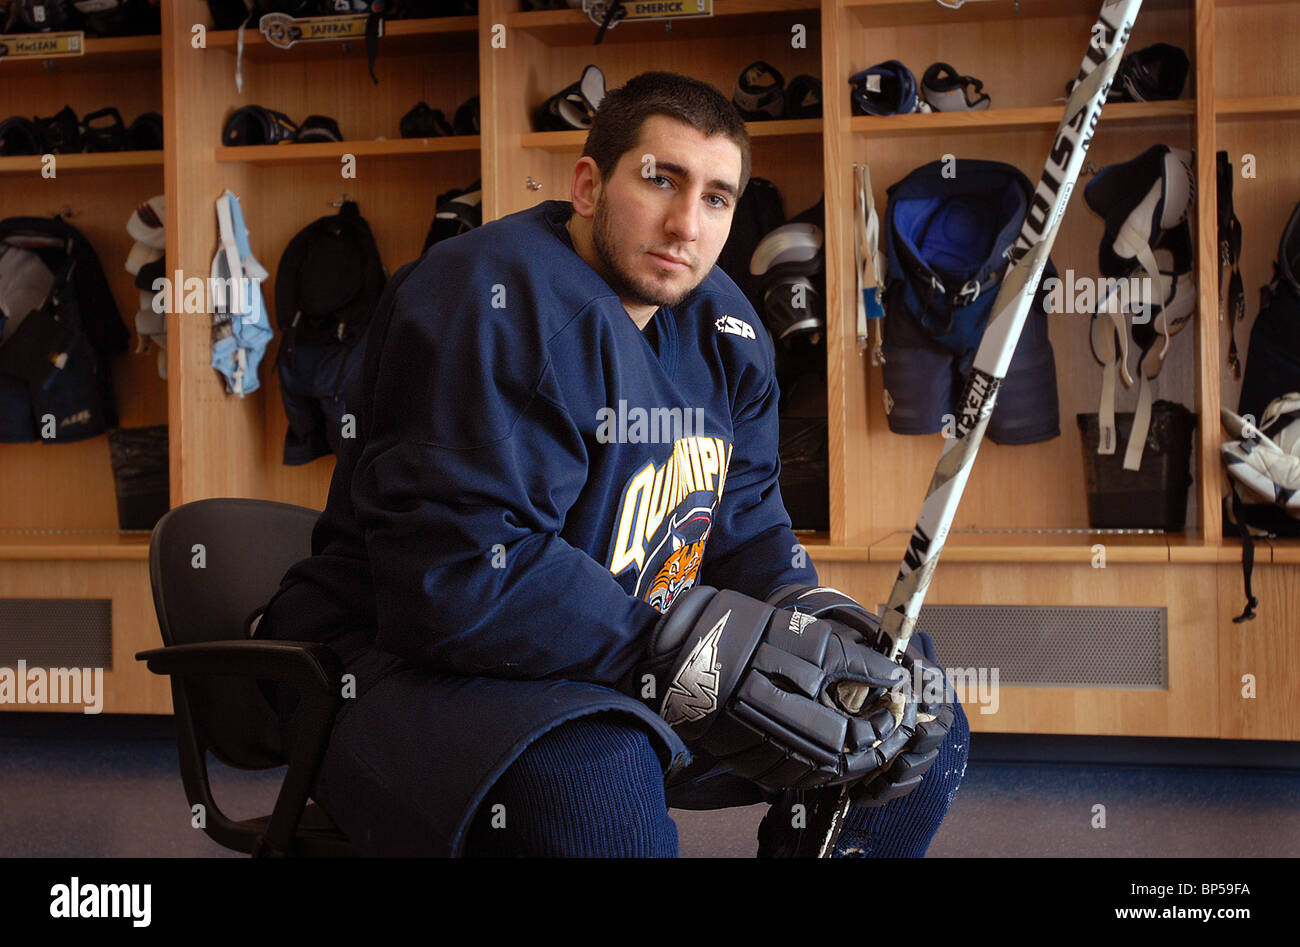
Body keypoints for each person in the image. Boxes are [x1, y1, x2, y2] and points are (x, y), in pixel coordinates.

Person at [258, 71, 969, 858]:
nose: (685, 223)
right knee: (597, 773)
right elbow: (458, 577)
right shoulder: (486, 296)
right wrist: (679, 648)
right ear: (589, 185)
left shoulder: (728, 331)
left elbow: (744, 525)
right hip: (398, 666)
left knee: (906, 718)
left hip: (612, 663)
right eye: (661, 179)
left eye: (716, 198)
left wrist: (811, 614)